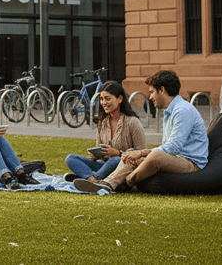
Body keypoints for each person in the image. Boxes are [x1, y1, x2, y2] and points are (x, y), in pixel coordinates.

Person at [74, 70, 209, 193]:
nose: (150, 97)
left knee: (154, 156)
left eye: (151, 92)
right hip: (176, 158)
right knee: (132, 153)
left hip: (191, 163)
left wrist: (143, 154)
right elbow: (167, 147)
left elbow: (173, 147)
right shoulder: (170, 111)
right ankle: (106, 184)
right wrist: (139, 156)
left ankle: (127, 183)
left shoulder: (182, 111)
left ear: (161, 90)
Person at [63, 81, 146, 184]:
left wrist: (118, 153)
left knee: (115, 160)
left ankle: (88, 178)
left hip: (122, 167)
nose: (103, 103)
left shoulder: (133, 122)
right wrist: (96, 154)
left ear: (120, 99)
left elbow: (142, 154)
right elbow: (98, 151)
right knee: (71, 158)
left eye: (107, 99)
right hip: (103, 165)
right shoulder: (103, 123)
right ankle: (93, 180)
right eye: (101, 99)